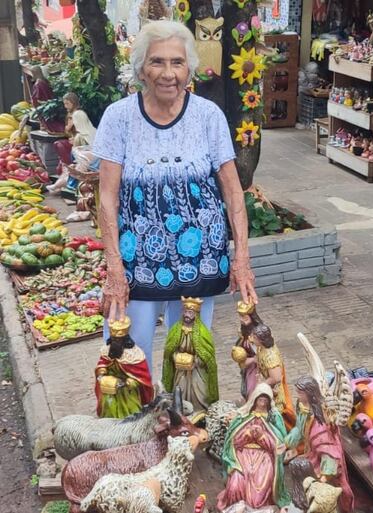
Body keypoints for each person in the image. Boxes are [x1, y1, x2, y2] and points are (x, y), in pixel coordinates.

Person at [93, 20, 258, 377]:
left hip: (200, 260)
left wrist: (241, 257)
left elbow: (232, 191)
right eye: (157, 62)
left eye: (177, 63)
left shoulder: (208, 116)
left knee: (190, 358)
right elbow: (107, 198)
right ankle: (135, 429)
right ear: (141, 68)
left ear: (189, 68)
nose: (168, 73)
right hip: (136, 263)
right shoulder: (118, 118)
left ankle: (186, 427)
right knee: (126, 358)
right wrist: (114, 268)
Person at [217, 383, 291, 511]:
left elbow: (279, 443)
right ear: (255, 399)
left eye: (265, 400)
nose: (262, 403)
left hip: (264, 457)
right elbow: (233, 440)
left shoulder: (273, 418)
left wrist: (262, 437)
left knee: (259, 490)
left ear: (269, 402)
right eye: (260, 399)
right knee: (236, 484)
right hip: (242, 455)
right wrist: (247, 434)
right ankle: (237, 506)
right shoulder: (244, 416)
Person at [288, 376, 354, 513]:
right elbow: (299, 428)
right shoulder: (303, 407)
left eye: (300, 393)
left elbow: (328, 451)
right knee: (297, 467)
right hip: (312, 453)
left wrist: (324, 477)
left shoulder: (320, 424)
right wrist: (288, 442)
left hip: (325, 464)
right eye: (297, 392)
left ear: (310, 393)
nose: (297, 395)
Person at [233, 301, 295, 427]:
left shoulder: (269, 355)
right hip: (257, 374)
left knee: (271, 409)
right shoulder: (259, 347)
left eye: (254, 338)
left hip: (269, 385)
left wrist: (261, 385)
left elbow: (276, 377)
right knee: (252, 394)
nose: (251, 339)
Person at [162, 296, 218, 423]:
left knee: (199, 393)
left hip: (196, 371)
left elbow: (207, 355)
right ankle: (180, 412)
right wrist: (176, 357)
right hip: (180, 370)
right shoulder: (176, 330)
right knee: (179, 390)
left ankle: (200, 412)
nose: (187, 315)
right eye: (185, 312)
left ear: (196, 314)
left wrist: (195, 361)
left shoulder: (202, 332)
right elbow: (169, 350)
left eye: (190, 313)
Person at [94, 317, 154, 418]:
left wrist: (127, 383)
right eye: (113, 339)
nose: (115, 342)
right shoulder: (107, 350)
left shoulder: (134, 355)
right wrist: (102, 372)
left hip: (127, 392)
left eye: (118, 340)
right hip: (109, 389)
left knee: (131, 413)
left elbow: (141, 377)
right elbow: (102, 363)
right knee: (109, 410)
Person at [51, 92, 98, 192]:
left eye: (67, 103)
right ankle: (63, 184)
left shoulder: (78, 115)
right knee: (72, 166)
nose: (65, 106)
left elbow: (79, 131)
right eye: (64, 104)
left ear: (73, 102)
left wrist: (75, 137)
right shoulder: (73, 115)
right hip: (80, 148)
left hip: (84, 151)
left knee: (76, 166)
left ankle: (69, 185)